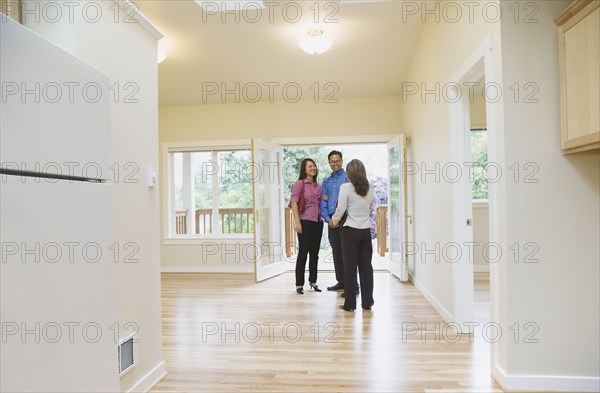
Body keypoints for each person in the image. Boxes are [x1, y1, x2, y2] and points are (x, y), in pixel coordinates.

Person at [330, 159, 375, 311]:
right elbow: (369, 207)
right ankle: (367, 302)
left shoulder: (346, 187)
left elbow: (341, 208)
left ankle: (350, 304)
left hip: (350, 231)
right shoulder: (370, 188)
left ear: (350, 173)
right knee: (366, 267)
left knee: (349, 268)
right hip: (365, 231)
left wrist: (334, 221)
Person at [290, 158, 324, 294]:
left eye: (314, 166)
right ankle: (299, 284)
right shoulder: (300, 184)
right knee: (303, 253)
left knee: (315, 254)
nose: (313, 168)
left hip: (318, 222)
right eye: (310, 166)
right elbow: (294, 203)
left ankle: (313, 281)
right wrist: (297, 222)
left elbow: (320, 202)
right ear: (304, 169)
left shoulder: (318, 186)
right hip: (305, 222)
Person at [320, 150, 351, 292]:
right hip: (331, 221)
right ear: (329, 163)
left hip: (345, 220)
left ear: (342, 161)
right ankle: (341, 282)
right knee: (336, 252)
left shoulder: (347, 178)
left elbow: (349, 201)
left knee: (347, 253)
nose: (335, 163)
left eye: (337, 160)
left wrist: (338, 219)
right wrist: (328, 219)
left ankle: (352, 285)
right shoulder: (326, 182)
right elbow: (323, 203)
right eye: (332, 161)